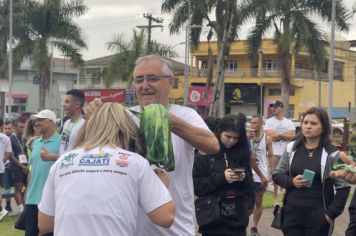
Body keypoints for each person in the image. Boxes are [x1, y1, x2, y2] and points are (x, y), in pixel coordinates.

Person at [86, 55, 219, 236]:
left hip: (174, 228)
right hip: (127, 228)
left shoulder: (185, 115)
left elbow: (212, 145)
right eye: (139, 80)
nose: (145, 85)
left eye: (153, 78)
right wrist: (95, 118)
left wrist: (167, 120)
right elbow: (89, 151)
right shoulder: (124, 117)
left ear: (170, 83)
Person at [38, 103, 175, 236]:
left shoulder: (62, 162)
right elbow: (165, 217)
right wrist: (161, 185)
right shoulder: (135, 162)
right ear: (126, 130)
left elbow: (45, 224)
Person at [272, 107, 350, 236]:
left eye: (313, 123)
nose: (308, 126)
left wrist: (330, 215)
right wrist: (291, 182)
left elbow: (344, 188)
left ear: (323, 128)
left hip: (319, 218)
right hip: (291, 215)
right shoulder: (291, 148)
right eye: (305, 122)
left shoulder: (333, 154)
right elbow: (277, 175)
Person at [193, 114, 255, 236]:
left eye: (236, 138)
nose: (231, 141)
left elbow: (250, 187)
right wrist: (222, 177)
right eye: (228, 136)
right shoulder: (205, 153)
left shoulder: (241, 153)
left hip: (237, 220)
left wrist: (243, 178)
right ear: (219, 132)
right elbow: (197, 187)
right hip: (212, 219)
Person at [24, 110, 61, 236]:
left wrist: (51, 156)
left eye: (41, 120)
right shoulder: (34, 143)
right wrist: (27, 194)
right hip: (32, 200)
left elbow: (67, 161)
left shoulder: (62, 142)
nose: (37, 123)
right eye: (36, 120)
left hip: (51, 200)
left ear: (51, 122)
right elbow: (32, 170)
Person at [265, 100, 295, 206]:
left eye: (276, 107)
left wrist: (279, 135)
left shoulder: (289, 122)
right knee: (274, 176)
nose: (274, 109)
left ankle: (284, 199)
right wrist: (284, 135)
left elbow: (292, 136)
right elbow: (270, 136)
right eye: (273, 107)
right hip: (273, 153)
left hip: (286, 153)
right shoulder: (269, 122)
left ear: (281, 108)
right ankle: (275, 201)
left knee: (286, 176)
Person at [248, 115, 274, 236]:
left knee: (258, 200)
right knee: (247, 200)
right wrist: (248, 138)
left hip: (261, 174)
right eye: (251, 123)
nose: (252, 125)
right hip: (248, 172)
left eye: (255, 123)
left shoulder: (267, 138)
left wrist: (272, 172)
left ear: (261, 124)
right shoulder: (247, 137)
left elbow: (271, 155)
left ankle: (254, 226)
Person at [6, 119, 28, 214]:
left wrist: (27, 166)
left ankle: (24, 207)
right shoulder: (11, 139)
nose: (23, 129)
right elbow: (11, 156)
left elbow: (26, 153)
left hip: (25, 167)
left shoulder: (24, 139)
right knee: (17, 187)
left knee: (25, 187)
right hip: (15, 167)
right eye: (21, 127)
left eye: (24, 127)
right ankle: (21, 209)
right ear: (15, 128)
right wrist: (22, 167)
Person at [59, 89, 85, 155]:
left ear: (77, 104)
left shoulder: (84, 124)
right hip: (62, 163)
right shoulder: (66, 123)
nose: (63, 105)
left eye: (67, 102)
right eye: (64, 102)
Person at [0, 119, 13, 221]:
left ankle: (2, 211)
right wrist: (1, 161)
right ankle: (2, 211)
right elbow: (9, 154)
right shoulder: (6, 138)